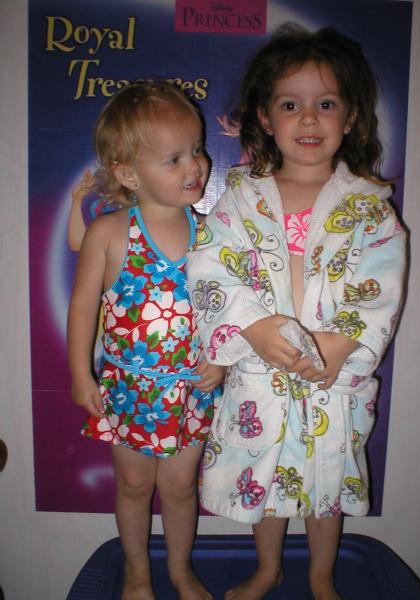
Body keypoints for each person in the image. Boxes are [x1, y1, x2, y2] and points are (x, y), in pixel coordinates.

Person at [187, 23, 406, 600]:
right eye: (290, 104)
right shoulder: (241, 199)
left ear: (350, 117)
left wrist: (343, 341)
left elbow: (380, 284)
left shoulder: (369, 209)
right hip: (263, 369)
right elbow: (211, 265)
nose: (308, 118)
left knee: (324, 485)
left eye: (326, 104)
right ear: (265, 117)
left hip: (330, 374)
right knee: (266, 485)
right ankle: (268, 570)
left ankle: (321, 577)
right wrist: (253, 327)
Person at [67, 80, 225, 600]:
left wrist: (222, 361)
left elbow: (229, 311)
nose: (195, 166)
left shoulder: (213, 234)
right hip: (130, 390)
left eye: (197, 149)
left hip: (191, 392)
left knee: (179, 488)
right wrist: (80, 376)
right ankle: (137, 572)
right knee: (135, 486)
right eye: (174, 159)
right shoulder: (109, 233)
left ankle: (180, 570)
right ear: (130, 174)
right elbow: (83, 309)